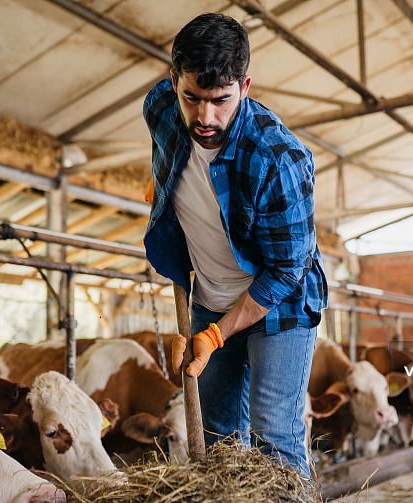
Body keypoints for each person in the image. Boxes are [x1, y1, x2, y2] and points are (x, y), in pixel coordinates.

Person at [142, 13, 327, 477]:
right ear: (173, 82)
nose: (205, 118)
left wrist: (215, 335)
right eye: (192, 98)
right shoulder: (160, 108)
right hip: (209, 295)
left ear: (244, 86)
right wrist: (164, 185)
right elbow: (168, 148)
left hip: (280, 304)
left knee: (273, 434)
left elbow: (286, 272)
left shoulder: (279, 159)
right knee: (217, 435)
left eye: (221, 100)